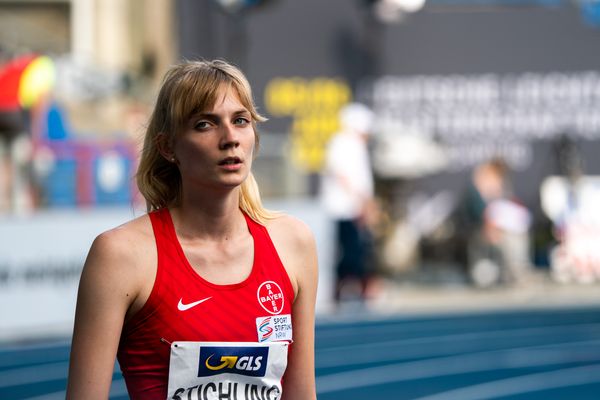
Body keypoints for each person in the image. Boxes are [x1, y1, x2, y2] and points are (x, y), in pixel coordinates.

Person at [67, 60, 318, 400]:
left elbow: (301, 395)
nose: (230, 138)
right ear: (168, 147)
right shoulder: (121, 255)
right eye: (205, 124)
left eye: (240, 121)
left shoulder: (294, 243)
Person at [320, 102, 378, 304]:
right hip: (343, 209)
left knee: (357, 250)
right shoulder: (342, 143)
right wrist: (362, 202)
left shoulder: (355, 145)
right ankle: (342, 288)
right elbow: (343, 176)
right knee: (347, 250)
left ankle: (352, 287)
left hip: (352, 207)